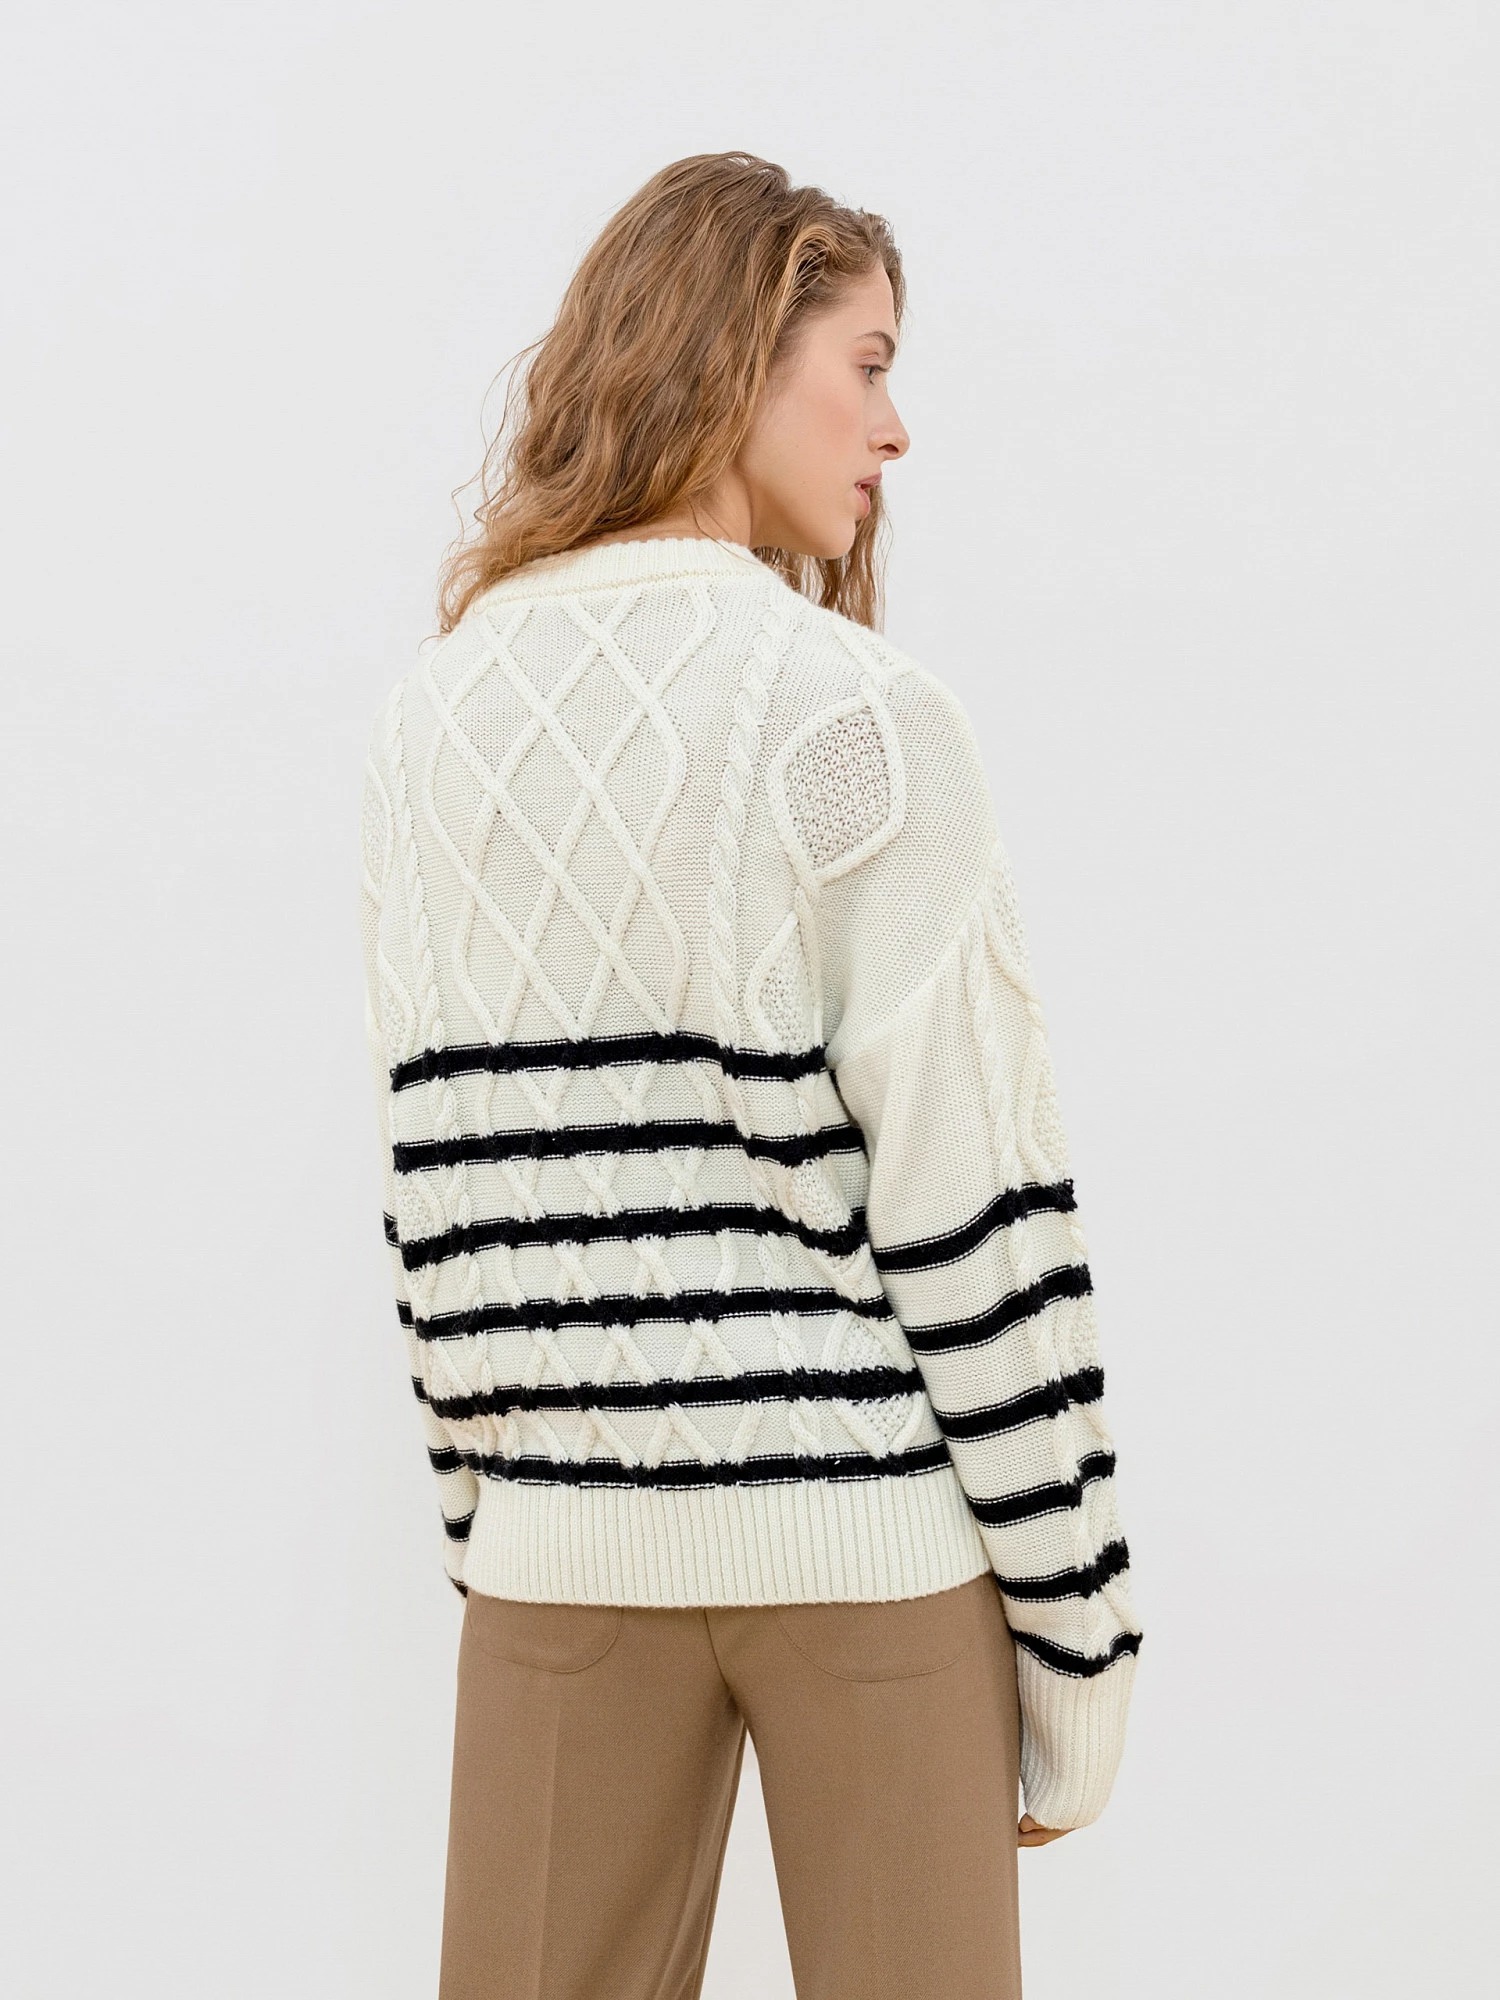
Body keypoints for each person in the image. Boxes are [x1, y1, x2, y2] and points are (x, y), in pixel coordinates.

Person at [356, 149, 1143, 2000]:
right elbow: (975, 1206)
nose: (895, 428)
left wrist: (497, 1523)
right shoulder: (855, 714)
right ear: (734, 359)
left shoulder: (429, 718)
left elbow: (445, 1200)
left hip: (559, 1550)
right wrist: (1079, 1635)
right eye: (865, 364)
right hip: (868, 1542)